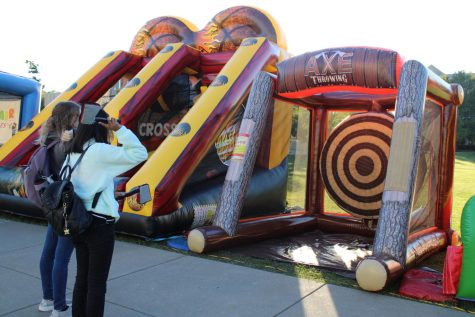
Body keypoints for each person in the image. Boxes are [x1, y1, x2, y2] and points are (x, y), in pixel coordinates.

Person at [64, 105, 147, 317]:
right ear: (102, 126)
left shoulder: (73, 151)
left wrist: (109, 194)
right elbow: (139, 153)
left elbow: (83, 185)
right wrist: (120, 129)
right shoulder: (99, 151)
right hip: (99, 225)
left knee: (82, 279)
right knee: (97, 284)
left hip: (78, 221)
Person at [38, 101, 81, 317]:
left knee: (49, 251)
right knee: (61, 256)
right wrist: (70, 141)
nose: (79, 120)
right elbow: (69, 165)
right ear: (67, 118)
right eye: (76, 116)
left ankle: (48, 298)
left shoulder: (48, 137)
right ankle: (59, 307)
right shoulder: (61, 142)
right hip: (66, 203)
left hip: (53, 200)